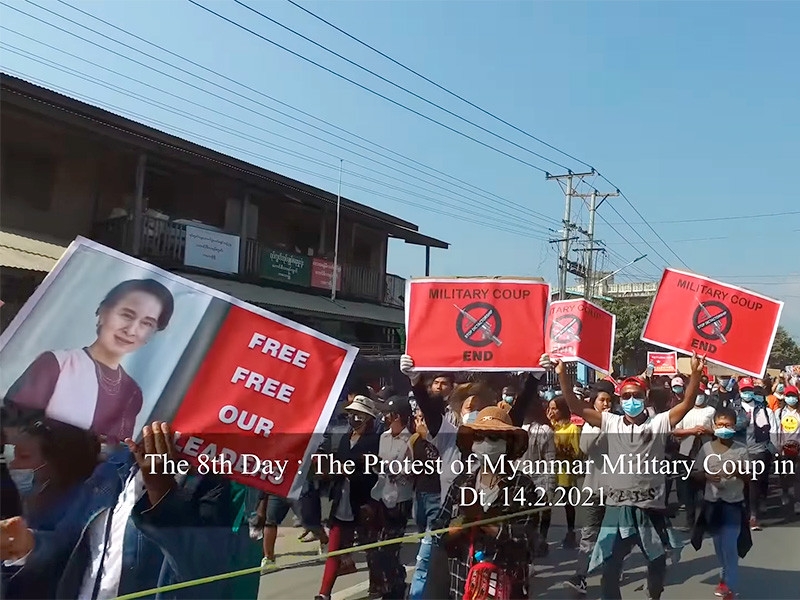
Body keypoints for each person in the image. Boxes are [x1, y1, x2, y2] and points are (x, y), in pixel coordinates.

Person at [0, 421, 238, 599]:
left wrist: (160, 488)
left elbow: (206, 576)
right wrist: (27, 545)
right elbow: (71, 542)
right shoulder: (112, 469)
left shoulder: (209, 479)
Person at [542, 352, 705, 600]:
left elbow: (687, 404)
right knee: (609, 567)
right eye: (626, 396)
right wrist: (563, 374)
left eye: (636, 396)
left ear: (645, 397)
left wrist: (695, 374)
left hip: (649, 508)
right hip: (617, 508)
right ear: (620, 399)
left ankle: (653, 594)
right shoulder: (611, 422)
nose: (631, 400)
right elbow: (576, 406)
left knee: (657, 562)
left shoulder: (658, 423)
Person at [5, 279, 175, 443]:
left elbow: (117, 452)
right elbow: (12, 426)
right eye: (126, 315)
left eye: (147, 324)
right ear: (102, 312)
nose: (131, 330)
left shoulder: (132, 392)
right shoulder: (57, 364)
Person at [430, 406, 537, 600]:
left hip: (505, 585)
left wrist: (490, 526)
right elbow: (437, 528)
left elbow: (530, 541)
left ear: (508, 443)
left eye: (493, 438)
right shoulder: (462, 482)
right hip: (462, 584)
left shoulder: (523, 485)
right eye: (479, 437)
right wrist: (453, 530)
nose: (485, 443)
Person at [316, 396, 380, 600]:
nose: (354, 418)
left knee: (371, 548)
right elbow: (336, 463)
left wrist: (349, 468)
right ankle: (324, 593)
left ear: (368, 418)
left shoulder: (375, 441)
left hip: (362, 502)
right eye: (351, 414)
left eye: (359, 415)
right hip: (341, 499)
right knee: (334, 549)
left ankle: (376, 586)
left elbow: (374, 473)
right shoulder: (344, 438)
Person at [690, 407, 753, 600]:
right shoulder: (706, 448)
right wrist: (707, 476)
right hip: (712, 505)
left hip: (733, 505)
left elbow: (750, 477)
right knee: (719, 547)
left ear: (734, 426)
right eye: (720, 425)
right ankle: (724, 576)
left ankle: (730, 587)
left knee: (730, 547)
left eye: (727, 425)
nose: (723, 428)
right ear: (714, 426)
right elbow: (695, 473)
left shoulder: (741, 449)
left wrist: (738, 472)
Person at [565, 380, 613, 595]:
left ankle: (611, 571)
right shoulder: (590, 424)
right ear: (593, 403)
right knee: (589, 536)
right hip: (594, 489)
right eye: (602, 400)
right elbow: (586, 447)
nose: (606, 404)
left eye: (609, 400)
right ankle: (580, 576)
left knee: (615, 535)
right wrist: (604, 427)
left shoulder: (621, 421)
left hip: (617, 491)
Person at [368, 396, 414, 599]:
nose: (386, 419)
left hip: (400, 500)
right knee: (377, 548)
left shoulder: (411, 439)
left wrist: (399, 471)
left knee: (391, 547)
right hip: (381, 497)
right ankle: (390, 583)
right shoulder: (383, 437)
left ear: (400, 417)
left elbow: (413, 469)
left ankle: (397, 586)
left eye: (390, 415)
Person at [671, 383, 715, 529]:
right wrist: (691, 431)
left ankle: (707, 521)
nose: (698, 397)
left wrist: (706, 430)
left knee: (706, 489)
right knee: (687, 490)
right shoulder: (684, 410)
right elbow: (676, 431)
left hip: (706, 452)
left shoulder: (711, 411)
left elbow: (716, 429)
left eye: (701, 393)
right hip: (686, 452)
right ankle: (689, 522)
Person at [519, 396, 555, 559]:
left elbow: (550, 460)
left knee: (531, 518)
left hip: (535, 481)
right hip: (520, 482)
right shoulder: (513, 428)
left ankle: (534, 548)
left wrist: (549, 486)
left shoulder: (543, 431)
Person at [546, 396, 580, 549]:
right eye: (550, 408)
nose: (551, 412)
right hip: (549, 471)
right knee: (545, 504)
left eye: (554, 408)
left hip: (565, 471)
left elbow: (577, 452)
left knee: (567, 502)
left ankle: (570, 532)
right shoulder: (549, 427)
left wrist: (562, 450)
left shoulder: (572, 428)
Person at [738, 384, 773, 530]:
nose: (747, 394)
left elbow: (767, 426)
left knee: (754, 481)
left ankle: (753, 516)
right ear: (740, 392)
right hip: (738, 449)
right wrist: (743, 422)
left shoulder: (761, 408)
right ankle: (742, 513)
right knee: (741, 483)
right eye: (744, 391)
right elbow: (728, 425)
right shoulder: (734, 406)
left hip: (757, 449)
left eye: (749, 391)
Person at [770, 385, 800, 514]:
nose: (791, 399)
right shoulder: (779, 412)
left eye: (793, 396)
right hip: (783, 449)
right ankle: (785, 493)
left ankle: (797, 501)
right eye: (788, 396)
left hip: (798, 449)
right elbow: (775, 430)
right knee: (785, 475)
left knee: (798, 476)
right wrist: (777, 447)